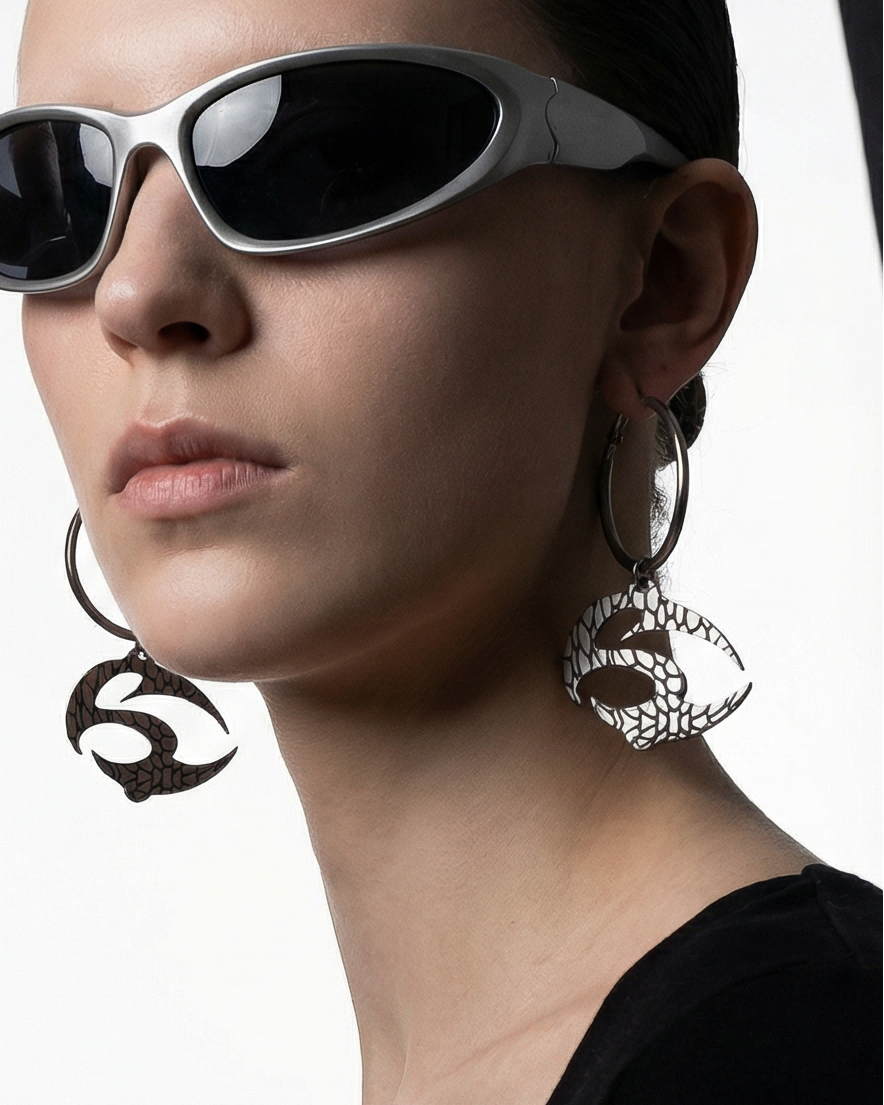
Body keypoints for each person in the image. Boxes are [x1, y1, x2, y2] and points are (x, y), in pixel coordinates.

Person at [2, 0, 880, 1102]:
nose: (135, 295)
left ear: (663, 282)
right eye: (58, 190)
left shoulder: (804, 1055)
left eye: (318, 155)